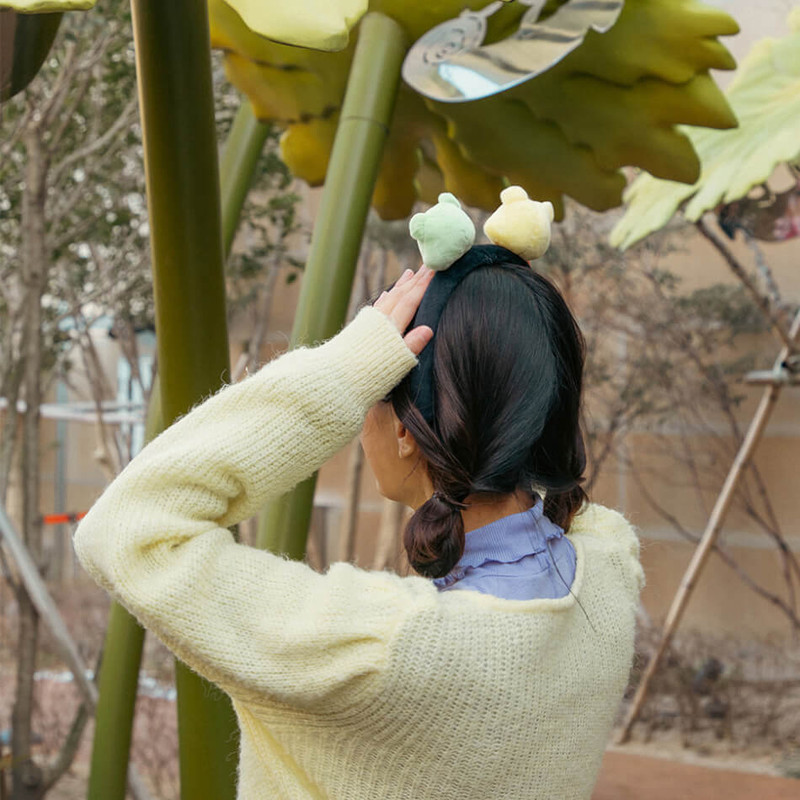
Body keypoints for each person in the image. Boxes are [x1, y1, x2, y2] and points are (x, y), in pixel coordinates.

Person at [74, 256, 644, 799]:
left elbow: (127, 528)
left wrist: (342, 372)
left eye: (373, 392)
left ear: (405, 431)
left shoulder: (378, 652)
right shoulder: (610, 568)